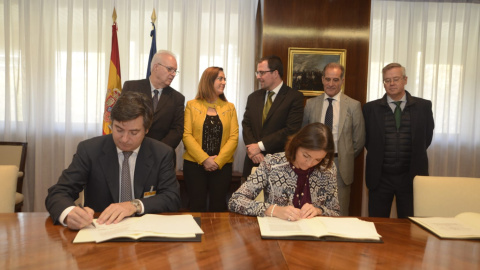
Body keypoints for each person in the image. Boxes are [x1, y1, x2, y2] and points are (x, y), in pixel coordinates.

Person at [45, 91, 181, 230]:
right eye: (119, 129)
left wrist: (134, 205)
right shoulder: (90, 150)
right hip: (102, 230)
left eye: (133, 132)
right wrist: (69, 214)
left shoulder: (162, 153)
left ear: (146, 130)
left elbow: (171, 198)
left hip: (145, 232)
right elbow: (59, 192)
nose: (124, 139)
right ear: (111, 123)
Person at [363, 63, 434, 218]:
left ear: (405, 79)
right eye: (387, 80)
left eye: (396, 79)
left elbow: (426, 138)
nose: (392, 83)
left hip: (411, 176)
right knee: (377, 225)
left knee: (410, 227)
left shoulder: (423, 106)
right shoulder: (370, 109)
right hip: (380, 178)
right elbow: (368, 140)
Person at [229, 123, 340, 220]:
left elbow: (335, 212)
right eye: (306, 155)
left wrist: (318, 211)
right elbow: (236, 200)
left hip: (312, 238)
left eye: (318, 159)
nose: (309, 163)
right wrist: (274, 210)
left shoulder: (328, 169)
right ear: (296, 145)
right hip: (277, 236)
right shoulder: (272, 163)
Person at [302, 62, 365, 216]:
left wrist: (344, 155)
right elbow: (304, 134)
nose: (331, 84)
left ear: (342, 81)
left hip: (340, 164)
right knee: (311, 208)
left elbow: (359, 140)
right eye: (328, 79)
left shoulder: (353, 106)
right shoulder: (310, 104)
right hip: (313, 164)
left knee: (340, 211)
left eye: (335, 80)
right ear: (322, 79)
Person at [182, 67, 239, 211]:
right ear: (209, 81)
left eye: (224, 79)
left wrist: (218, 161)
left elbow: (234, 137)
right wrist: (205, 159)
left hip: (222, 166)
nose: (224, 82)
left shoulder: (230, 107)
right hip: (194, 165)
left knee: (218, 206)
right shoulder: (191, 105)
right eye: (220, 79)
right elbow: (186, 135)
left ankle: (217, 234)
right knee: (197, 206)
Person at [242, 55, 304, 178]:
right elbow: (246, 124)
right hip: (253, 162)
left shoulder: (294, 97)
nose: (258, 77)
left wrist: (259, 146)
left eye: (262, 73)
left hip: (279, 165)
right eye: (257, 73)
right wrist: (253, 151)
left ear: (275, 73)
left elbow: (291, 130)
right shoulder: (253, 97)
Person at [122, 50, 185, 150]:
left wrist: (157, 149)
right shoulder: (131, 87)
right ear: (156, 67)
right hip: (131, 149)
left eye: (175, 71)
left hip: (161, 155)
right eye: (170, 69)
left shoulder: (177, 98)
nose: (173, 74)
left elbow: (177, 130)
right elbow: (122, 118)